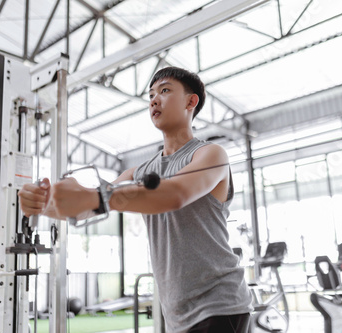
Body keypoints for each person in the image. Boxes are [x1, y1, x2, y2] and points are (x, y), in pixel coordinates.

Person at [18, 66, 253, 333]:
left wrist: (93, 197)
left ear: (191, 101)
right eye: (151, 94)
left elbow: (174, 194)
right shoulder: (138, 173)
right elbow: (88, 208)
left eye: (164, 91)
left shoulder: (210, 155)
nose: (154, 99)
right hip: (176, 312)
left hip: (220, 304)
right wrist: (43, 203)